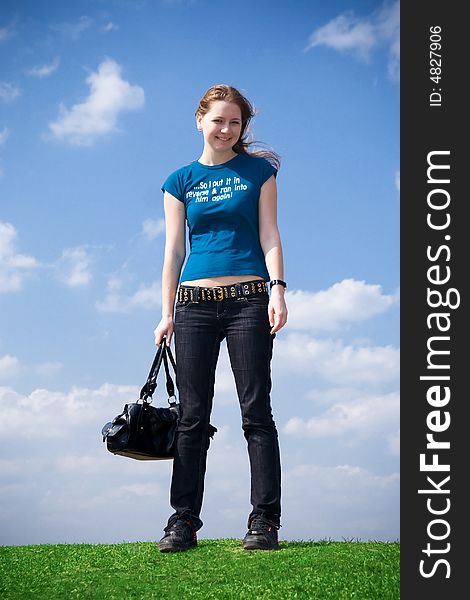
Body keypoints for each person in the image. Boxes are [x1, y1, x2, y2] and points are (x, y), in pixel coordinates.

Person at [153, 83, 288, 552]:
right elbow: (173, 251)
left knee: (256, 413)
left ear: (242, 128)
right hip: (192, 306)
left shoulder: (258, 173)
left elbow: (270, 235)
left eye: (235, 122)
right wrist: (165, 313)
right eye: (218, 120)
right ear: (199, 121)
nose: (226, 129)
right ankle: (183, 522)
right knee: (192, 417)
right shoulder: (179, 180)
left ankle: (264, 521)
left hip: (250, 299)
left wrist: (278, 290)